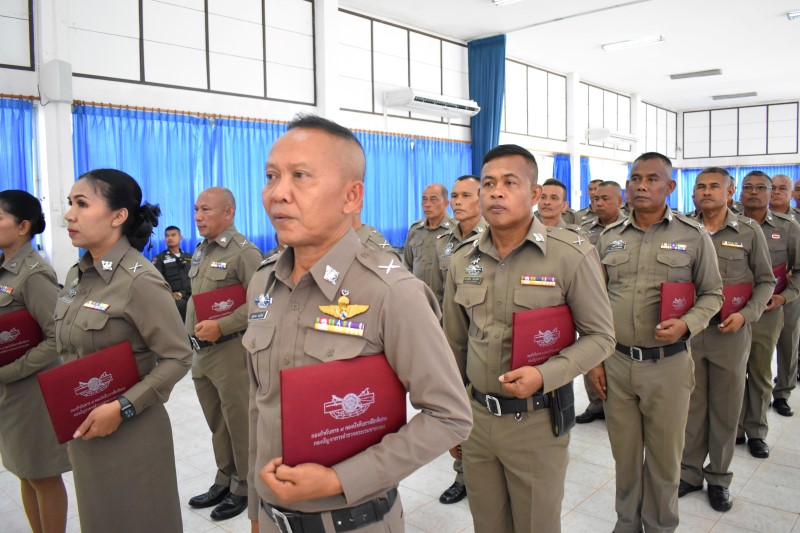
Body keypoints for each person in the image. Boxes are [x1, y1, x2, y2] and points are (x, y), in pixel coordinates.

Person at [245, 114, 472, 533]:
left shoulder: (392, 293)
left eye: (300, 176)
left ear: (351, 197)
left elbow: (450, 417)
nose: (278, 193)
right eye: (271, 176)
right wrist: (257, 511)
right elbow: (260, 405)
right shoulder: (264, 281)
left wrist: (339, 479)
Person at [443, 144, 615, 533]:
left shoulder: (569, 255)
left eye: (510, 183)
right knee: (487, 525)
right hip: (478, 420)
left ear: (534, 193)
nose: (496, 192)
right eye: (488, 184)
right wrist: (451, 416)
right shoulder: (463, 260)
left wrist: (544, 375)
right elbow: (453, 344)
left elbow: (601, 336)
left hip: (536, 422)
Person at [593, 152, 723, 533]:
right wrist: (594, 360)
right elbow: (593, 302)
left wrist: (687, 324)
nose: (641, 186)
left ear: (670, 187)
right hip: (617, 363)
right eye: (635, 179)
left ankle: (660, 526)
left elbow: (713, 294)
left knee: (665, 460)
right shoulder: (609, 238)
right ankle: (626, 524)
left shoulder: (693, 236)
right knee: (625, 457)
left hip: (668, 364)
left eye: (652, 179)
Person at [56, 169, 192, 532]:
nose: (69, 214)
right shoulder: (77, 276)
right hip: (86, 430)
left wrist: (123, 406)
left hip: (131, 432)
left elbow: (179, 356)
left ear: (118, 216)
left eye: (81, 204)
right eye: (70, 204)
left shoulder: (139, 279)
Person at [679, 168, 774, 512]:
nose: (706, 192)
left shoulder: (748, 231)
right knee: (691, 407)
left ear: (730, 192)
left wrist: (747, 315)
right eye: (700, 186)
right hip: (690, 332)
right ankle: (689, 472)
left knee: (726, 408)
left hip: (729, 333)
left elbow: (765, 281)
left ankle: (718, 477)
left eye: (714, 186)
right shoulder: (682, 229)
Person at [185, 186, 263, 520]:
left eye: (206, 210)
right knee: (217, 422)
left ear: (228, 212)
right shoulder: (201, 250)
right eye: (196, 209)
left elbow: (263, 302)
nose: (198, 216)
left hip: (231, 351)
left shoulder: (244, 252)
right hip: (201, 353)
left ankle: (244, 486)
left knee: (239, 423)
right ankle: (225, 478)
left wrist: (223, 325)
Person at [0, 190, 70, 533]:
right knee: (24, 472)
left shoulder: (34, 273)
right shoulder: (6, 270)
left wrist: (10, 371)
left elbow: (58, 337)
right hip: (11, 392)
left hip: (33, 392)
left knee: (43, 474)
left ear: (22, 226)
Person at [738, 171, 800, 456]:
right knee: (733, 375)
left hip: (767, 311)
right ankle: (735, 427)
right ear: (738, 192)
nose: (754, 192)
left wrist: (784, 297)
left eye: (761, 187)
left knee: (760, 373)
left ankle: (756, 431)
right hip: (730, 312)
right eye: (748, 187)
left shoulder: (788, 228)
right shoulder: (725, 223)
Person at [434, 174, 486, 505]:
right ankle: (462, 473)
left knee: (478, 408)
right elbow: (438, 291)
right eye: (454, 196)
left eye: (466, 195)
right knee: (456, 403)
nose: (457, 202)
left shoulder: (492, 238)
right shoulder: (445, 241)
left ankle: (474, 474)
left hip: (481, 338)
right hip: (450, 338)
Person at [575, 180, 626, 424]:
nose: (599, 203)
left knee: (615, 359)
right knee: (591, 353)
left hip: (617, 302)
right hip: (588, 301)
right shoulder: (583, 229)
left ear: (620, 201)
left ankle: (616, 405)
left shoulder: (628, 229)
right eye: (596, 199)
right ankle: (595, 403)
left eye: (605, 199)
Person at [769, 174, 800, 416]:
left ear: (792, 193)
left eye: (782, 188)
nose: (776, 192)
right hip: (757, 293)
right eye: (772, 188)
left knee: (788, 342)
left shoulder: (796, 221)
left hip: (789, 292)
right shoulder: (753, 217)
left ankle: (782, 393)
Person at [403, 182, 454, 301]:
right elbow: (407, 265)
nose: (427, 204)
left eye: (433, 199)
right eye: (424, 199)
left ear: (446, 203)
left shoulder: (455, 231)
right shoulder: (415, 230)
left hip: (444, 300)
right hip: (417, 298)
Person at [152, 225, 193, 321]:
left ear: (180, 237)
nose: (169, 238)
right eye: (167, 236)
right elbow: (156, 280)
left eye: (173, 235)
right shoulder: (159, 258)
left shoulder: (189, 257)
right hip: (175, 296)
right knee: (180, 306)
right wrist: (169, 294)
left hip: (191, 294)